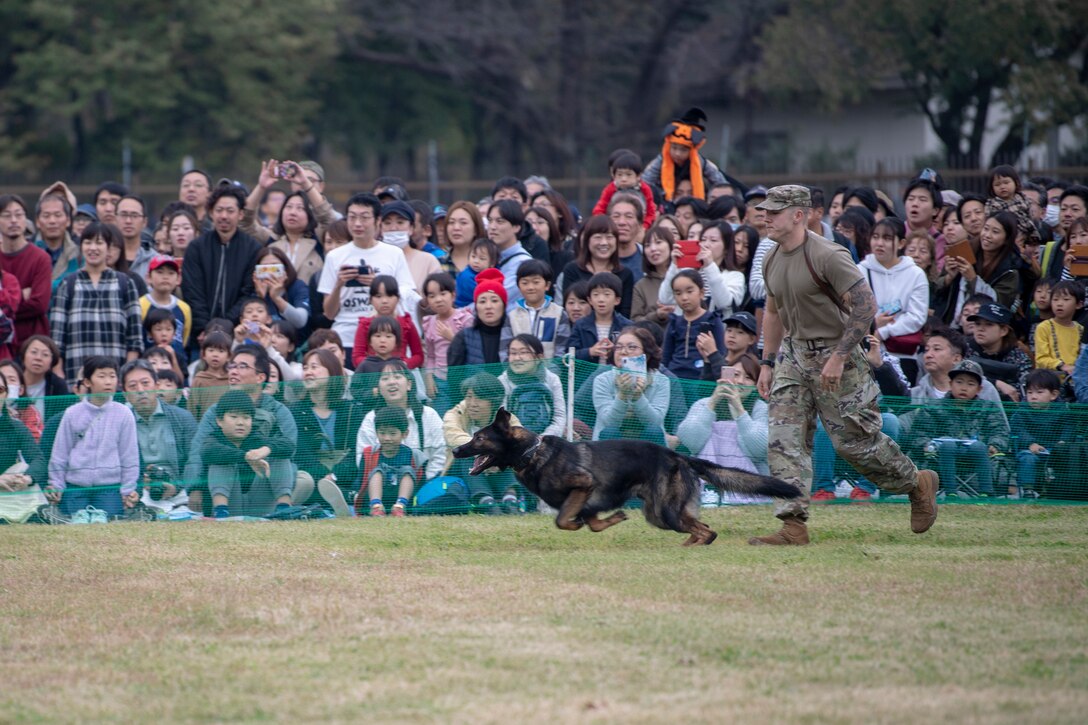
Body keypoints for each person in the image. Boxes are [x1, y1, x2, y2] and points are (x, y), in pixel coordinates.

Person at [754, 185, 937, 546]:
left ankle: (916, 484)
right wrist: (766, 361)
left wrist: (839, 356)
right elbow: (773, 312)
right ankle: (793, 524)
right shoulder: (771, 257)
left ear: (798, 215)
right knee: (784, 439)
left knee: (853, 443)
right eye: (765, 211)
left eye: (774, 212)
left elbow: (865, 306)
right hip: (793, 354)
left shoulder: (828, 255)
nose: (766, 217)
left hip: (837, 353)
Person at [187, 345, 299, 518]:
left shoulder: (279, 411)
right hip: (228, 489)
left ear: (260, 377)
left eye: (243, 366)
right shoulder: (216, 410)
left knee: (284, 460)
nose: (233, 372)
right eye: (232, 366)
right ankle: (221, 513)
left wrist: (264, 451)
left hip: (264, 486)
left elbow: (289, 449)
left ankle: (283, 510)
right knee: (220, 457)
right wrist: (194, 488)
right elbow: (199, 451)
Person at [318, 193, 417, 365]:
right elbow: (329, 313)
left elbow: (408, 294)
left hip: (384, 337)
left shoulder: (393, 253)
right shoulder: (335, 256)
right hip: (345, 337)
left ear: (378, 220)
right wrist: (339, 285)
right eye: (352, 217)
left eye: (364, 218)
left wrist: (379, 285)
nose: (357, 224)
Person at [45, 357, 140, 520]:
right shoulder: (72, 413)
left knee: (106, 520)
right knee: (75, 520)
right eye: (102, 376)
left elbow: (129, 456)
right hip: (75, 485)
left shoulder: (124, 414)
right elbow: (60, 453)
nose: (108, 381)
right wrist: (56, 486)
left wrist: (127, 490)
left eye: (112, 376)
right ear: (88, 382)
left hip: (109, 487)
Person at [50, 223, 143, 385]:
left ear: (108, 247)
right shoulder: (68, 284)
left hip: (115, 378)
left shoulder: (125, 283)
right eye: (88, 242)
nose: (93, 248)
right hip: (77, 375)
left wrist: (127, 375)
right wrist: (58, 371)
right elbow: (57, 337)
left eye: (99, 243)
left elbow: (134, 337)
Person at [904, 360, 1008, 499]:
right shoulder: (932, 407)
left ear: (979, 389)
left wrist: (995, 445)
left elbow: (1000, 432)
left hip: (976, 455)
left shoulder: (989, 408)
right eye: (959, 382)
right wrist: (926, 445)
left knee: (979, 447)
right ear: (950, 384)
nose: (964, 388)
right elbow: (918, 435)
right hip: (940, 455)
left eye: (970, 384)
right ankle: (951, 493)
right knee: (948, 446)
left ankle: (986, 493)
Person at [677, 354, 768, 505]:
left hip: (749, 476)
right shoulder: (704, 404)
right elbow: (690, 440)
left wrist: (739, 411)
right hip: (705, 474)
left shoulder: (760, 408)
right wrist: (712, 402)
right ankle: (709, 489)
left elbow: (759, 448)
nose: (740, 381)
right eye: (736, 375)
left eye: (748, 377)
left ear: (754, 385)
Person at [181, 184, 263, 337]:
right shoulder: (196, 247)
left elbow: (248, 293)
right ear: (211, 213)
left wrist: (224, 327)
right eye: (219, 210)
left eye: (230, 211)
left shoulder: (253, 249)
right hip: (200, 334)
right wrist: (205, 329)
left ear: (240, 214)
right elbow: (192, 292)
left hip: (239, 333)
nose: (224, 216)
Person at [289, 349, 362, 517]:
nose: (308, 372)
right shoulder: (295, 411)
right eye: (305, 368)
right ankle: (347, 499)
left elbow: (355, 452)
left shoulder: (352, 410)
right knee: (305, 483)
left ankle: (341, 498)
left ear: (332, 371)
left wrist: (334, 477)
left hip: (344, 476)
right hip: (312, 477)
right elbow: (302, 454)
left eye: (314, 367)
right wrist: (324, 478)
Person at [120, 360, 197, 514]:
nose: (140, 390)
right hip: (139, 490)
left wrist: (179, 486)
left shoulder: (182, 418)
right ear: (125, 394)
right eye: (133, 386)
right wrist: (139, 486)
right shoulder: (120, 423)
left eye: (145, 383)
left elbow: (195, 458)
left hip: (179, 487)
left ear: (156, 386)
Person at [356, 360, 445, 490]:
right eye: (385, 378)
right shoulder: (371, 418)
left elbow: (442, 452)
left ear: (409, 384)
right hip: (382, 488)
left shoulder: (428, 414)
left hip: (424, 484)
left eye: (397, 377)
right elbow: (362, 457)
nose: (392, 382)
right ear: (379, 389)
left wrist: (425, 481)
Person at [442, 372, 524, 514]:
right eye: (469, 396)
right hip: (464, 474)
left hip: (498, 472)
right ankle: (487, 503)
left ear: (493, 401)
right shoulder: (456, 414)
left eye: (479, 398)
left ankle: (510, 501)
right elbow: (452, 435)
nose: (473, 403)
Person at [242, 162, 326, 284]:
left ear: (309, 214)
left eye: (300, 208)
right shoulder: (271, 239)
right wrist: (261, 187)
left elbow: (327, 217)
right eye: (288, 207)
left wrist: (305, 184)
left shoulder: (319, 238)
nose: (292, 212)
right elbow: (244, 222)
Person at [858, 217, 929, 354]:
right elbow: (847, 311)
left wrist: (883, 332)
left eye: (887, 238)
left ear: (901, 243)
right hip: (865, 350)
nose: (879, 243)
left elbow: (916, 317)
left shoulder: (915, 274)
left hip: (901, 351)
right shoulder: (859, 271)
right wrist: (873, 324)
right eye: (875, 237)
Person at [592, 326, 669, 443]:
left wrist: (638, 397)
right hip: (611, 445)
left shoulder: (661, 381)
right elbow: (609, 422)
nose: (623, 352)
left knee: (653, 431)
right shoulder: (602, 380)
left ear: (646, 354)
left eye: (632, 347)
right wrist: (622, 395)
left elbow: (655, 422)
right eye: (619, 347)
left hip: (648, 443)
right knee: (610, 431)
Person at [658, 220, 746, 317]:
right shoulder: (686, 272)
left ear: (726, 248)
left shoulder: (735, 276)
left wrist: (709, 266)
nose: (706, 244)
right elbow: (664, 299)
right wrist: (674, 265)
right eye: (703, 239)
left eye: (713, 240)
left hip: (716, 330)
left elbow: (724, 303)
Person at [641, 107, 727, 201]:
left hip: (695, 203)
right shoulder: (660, 161)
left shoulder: (701, 163)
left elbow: (721, 183)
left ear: (692, 150)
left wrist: (710, 199)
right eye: (674, 148)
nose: (677, 153)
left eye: (683, 150)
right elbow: (645, 182)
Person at [1011, 370, 1073, 498]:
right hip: (1030, 450)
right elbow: (1018, 430)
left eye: (1039, 392)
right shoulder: (1021, 412)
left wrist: (1062, 443)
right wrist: (1031, 443)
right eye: (1029, 392)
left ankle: (1061, 491)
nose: (1033, 396)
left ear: (1054, 395)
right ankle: (1027, 491)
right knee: (1027, 458)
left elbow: (1069, 429)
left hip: (1056, 450)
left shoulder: (1063, 411)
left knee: (1069, 458)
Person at [0, 195, 52, 346]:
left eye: (19, 214)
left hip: (31, 343)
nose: (14, 220)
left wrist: (7, 307)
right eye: (7, 215)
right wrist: (21, 295)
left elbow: (39, 305)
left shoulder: (41, 258)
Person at [558, 215, 635, 318]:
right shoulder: (572, 270)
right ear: (587, 241)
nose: (604, 243)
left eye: (609, 237)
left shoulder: (625, 274)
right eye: (598, 237)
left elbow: (625, 314)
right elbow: (569, 307)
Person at [420, 272, 473, 412]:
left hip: (464, 379)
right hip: (441, 381)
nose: (438, 299)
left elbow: (473, 349)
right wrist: (429, 376)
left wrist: (452, 338)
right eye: (432, 296)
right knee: (442, 418)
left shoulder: (465, 319)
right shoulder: (429, 323)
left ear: (453, 295)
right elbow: (431, 355)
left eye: (443, 293)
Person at [0, 370, 47, 524]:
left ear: (6, 394)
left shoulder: (16, 427)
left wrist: (27, 478)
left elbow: (38, 459)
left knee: (22, 467)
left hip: (9, 487)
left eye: (0, 390)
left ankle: (35, 515)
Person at [660, 270, 725, 380]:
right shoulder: (674, 322)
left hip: (701, 378)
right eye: (678, 293)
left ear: (701, 293)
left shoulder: (712, 320)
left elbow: (721, 353)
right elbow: (665, 356)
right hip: (674, 378)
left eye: (689, 291)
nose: (684, 298)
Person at [499, 260, 569, 360]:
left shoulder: (559, 314)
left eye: (536, 282)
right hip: (517, 374)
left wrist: (550, 374)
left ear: (547, 285)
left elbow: (561, 350)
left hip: (550, 373)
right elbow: (504, 351)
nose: (530, 287)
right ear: (518, 286)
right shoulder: (512, 316)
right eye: (525, 283)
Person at [357, 406, 420, 517]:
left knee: (407, 471)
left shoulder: (412, 455)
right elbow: (361, 479)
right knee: (377, 471)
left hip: (400, 496)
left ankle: (400, 507)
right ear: (376, 433)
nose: (387, 438)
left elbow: (419, 480)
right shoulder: (369, 454)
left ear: (404, 434)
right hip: (377, 496)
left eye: (392, 433)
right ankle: (376, 507)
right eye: (382, 433)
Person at [498, 334, 566, 437]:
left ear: (539, 357)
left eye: (523, 352)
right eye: (513, 353)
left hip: (547, 442)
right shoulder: (502, 381)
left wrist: (542, 439)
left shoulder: (552, 379)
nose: (517, 358)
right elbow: (501, 420)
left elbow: (559, 417)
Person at [351, 275, 423, 369]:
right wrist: (374, 366)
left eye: (389, 295)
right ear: (370, 300)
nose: (384, 301)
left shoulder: (406, 323)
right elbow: (357, 357)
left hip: (401, 374)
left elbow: (418, 355)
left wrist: (403, 364)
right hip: (373, 376)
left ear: (398, 298)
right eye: (378, 296)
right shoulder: (365, 324)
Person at [966, 302, 1031, 401]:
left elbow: (1025, 391)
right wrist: (996, 383)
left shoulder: (1019, 357)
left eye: (989, 324)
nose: (980, 329)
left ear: (1004, 330)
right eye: (978, 323)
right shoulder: (964, 350)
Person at [448, 269, 508, 367]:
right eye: (482, 301)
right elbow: (454, 378)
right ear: (476, 307)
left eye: (494, 300)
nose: (488, 306)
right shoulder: (463, 337)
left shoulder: (514, 334)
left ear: (504, 305)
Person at [569, 272, 632, 363]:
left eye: (607, 294)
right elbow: (568, 355)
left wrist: (615, 350)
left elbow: (633, 354)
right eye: (596, 294)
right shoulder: (580, 325)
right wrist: (590, 352)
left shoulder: (627, 326)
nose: (601, 299)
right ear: (590, 300)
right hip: (586, 375)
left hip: (618, 375)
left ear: (617, 300)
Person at [381, 200, 440, 293]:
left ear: (411, 228)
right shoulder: (374, 258)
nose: (393, 228)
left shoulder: (428, 261)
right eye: (387, 223)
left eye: (400, 222)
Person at [1033, 280, 1083, 388]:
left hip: (1076, 381)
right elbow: (1041, 359)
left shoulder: (1081, 329)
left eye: (1066, 299)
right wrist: (1062, 366)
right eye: (1055, 299)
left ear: (1079, 304)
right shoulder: (1043, 327)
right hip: (1048, 383)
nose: (1059, 303)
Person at [252, 245, 311, 334]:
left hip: (296, 343)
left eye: (275, 267)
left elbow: (300, 321)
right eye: (264, 268)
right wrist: (260, 299)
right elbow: (252, 328)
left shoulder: (298, 286)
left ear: (285, 268)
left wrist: (276, 298)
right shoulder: (254, 291)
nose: (270, 272)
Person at [592, 150, 658, 229]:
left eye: (628, 174)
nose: (623, 179)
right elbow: (599, 209)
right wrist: (606, 225)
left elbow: (651, 212)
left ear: (638, 176)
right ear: (613, 175)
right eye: (620, 174)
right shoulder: (610, 189)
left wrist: (644, 227)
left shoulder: (645, 189)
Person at [486, 199, 533, 307]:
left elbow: (495, 298)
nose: (492, 227)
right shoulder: (487, 257)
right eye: (490, 220)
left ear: (516, 227)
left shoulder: (523, 263)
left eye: (500, 221)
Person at [140, 256, 192, 349]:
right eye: (160, 272)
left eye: (171, 273)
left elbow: (184, 340)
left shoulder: (184, 308)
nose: (165, 277)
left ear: (178, 279)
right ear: (148, 277)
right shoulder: (140, 305)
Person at [631, 222, 675, 326]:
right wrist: (657, 315)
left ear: (671, 245)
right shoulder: (641, 286)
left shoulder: (684, 276)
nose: (653, 249)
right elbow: (634, 320)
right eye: (647, 245)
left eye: (658, 242)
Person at [18, 335, 70, 424]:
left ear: (52, 361)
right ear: (24, 356)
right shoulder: (11, 380)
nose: (38, 358)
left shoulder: (57, 385)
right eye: (33, 352)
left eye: (45, 354)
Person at [33, 193, 80, 288]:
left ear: (68, 221)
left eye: (58, 215)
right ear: (37, 222)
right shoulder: (27, 253)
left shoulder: (80, 253)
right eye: (46, 216)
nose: (52, 221)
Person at [696, 311, 758, 381]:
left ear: (752, 339)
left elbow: (729, 383)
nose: (732, 336)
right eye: (729, 330)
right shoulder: (718, 360)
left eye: (740, 332)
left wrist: (712, 353)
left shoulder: (751, 364)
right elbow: (704, 389)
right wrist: (707, 360)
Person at [188, 330, 232, 423]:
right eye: (211, 350)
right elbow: (192, 409)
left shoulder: (231, 380)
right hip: (204, 429)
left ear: (228, 356)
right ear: (204, 354)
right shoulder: (199, 380)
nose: (215, 354)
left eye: (221, 351)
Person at [608, 193, 648, 283]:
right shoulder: (598, 259)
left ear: (640, 225)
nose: (622, 222)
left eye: (629, 216)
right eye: (616, 216)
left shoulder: (649, 258)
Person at [115, 196, 156, 280]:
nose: (128, 221)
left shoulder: (155, 260)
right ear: (115, 218)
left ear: (144, 222)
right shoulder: (106, 257)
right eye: (123, 215)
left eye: (134, 215)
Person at [0, 360, 42, 441]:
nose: (6, 384)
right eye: (3, 379)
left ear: (21, 390)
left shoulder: (29, 411)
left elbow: (34, 441)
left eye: (11, 380)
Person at [442, 201, 487, 276]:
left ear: (476, 229)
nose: (456, 228)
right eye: (451, 222)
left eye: (463, 223)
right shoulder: (438, 263)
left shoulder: (486, 264)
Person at [454, 238, 499, 309]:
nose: (476, 261)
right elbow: (481, 295)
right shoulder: (467, 276)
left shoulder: (493, 273)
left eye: (482, 258)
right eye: (473, 257)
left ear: (492, 263)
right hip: (463, 309)